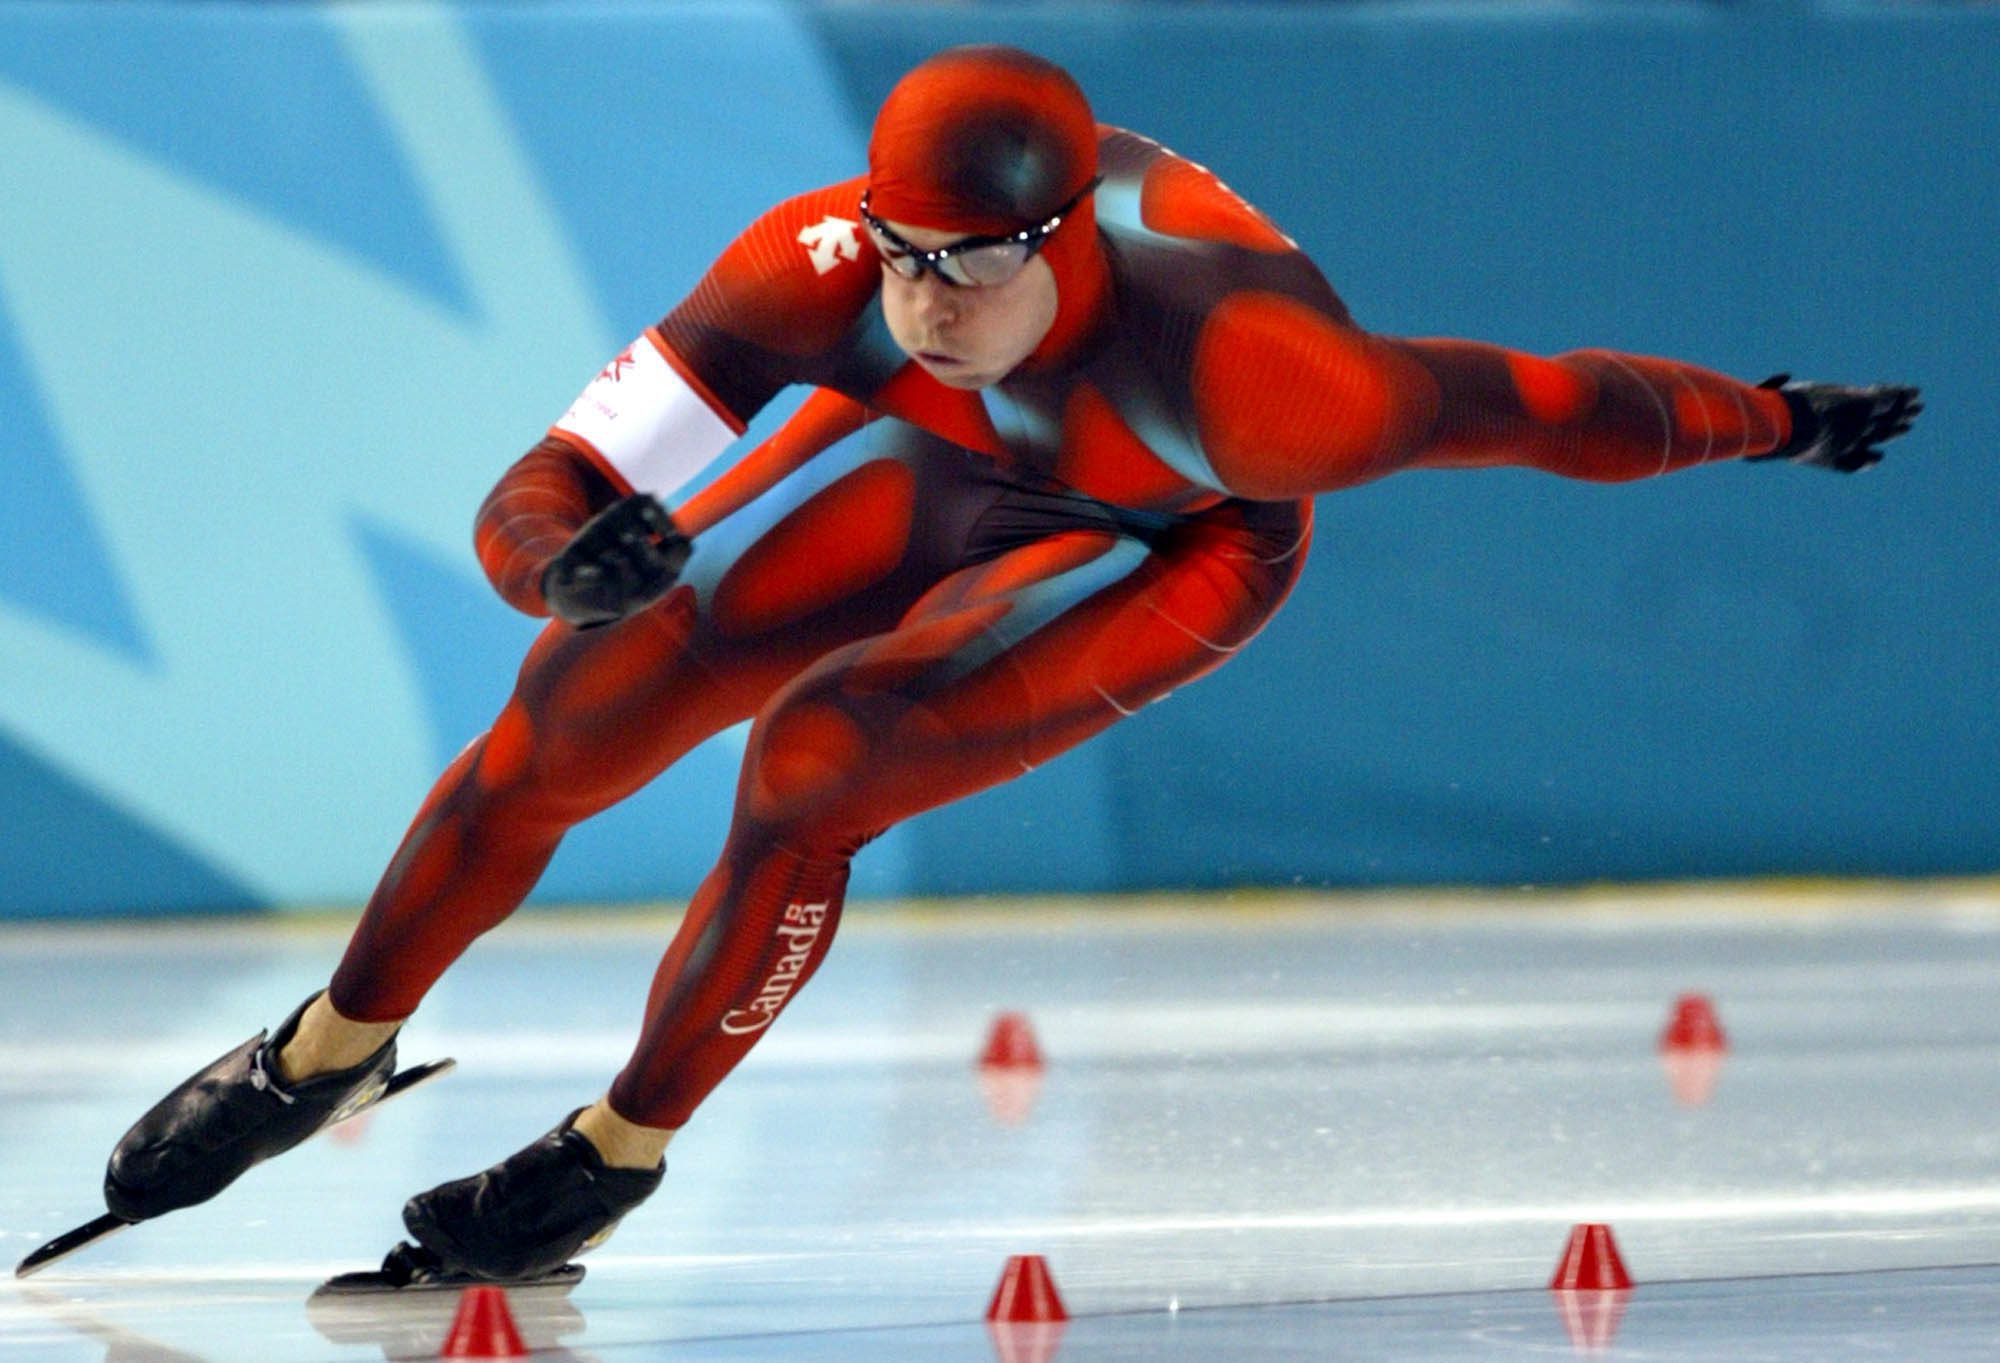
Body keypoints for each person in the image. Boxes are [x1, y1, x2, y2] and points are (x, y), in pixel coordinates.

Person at [98, 45, 1920, 1285]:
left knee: (816, 766)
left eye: (967, 269)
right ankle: (323, 1053)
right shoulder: (821, 265)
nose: (923, 303)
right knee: (583, 700)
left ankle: (617, 1153)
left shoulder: (1266, 378)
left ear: (1060, 244)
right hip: (955, 464)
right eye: (902, 260)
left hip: (1172, 533)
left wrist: (1774, 418)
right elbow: (553, 477)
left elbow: (1545, 405)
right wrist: (554, 565)